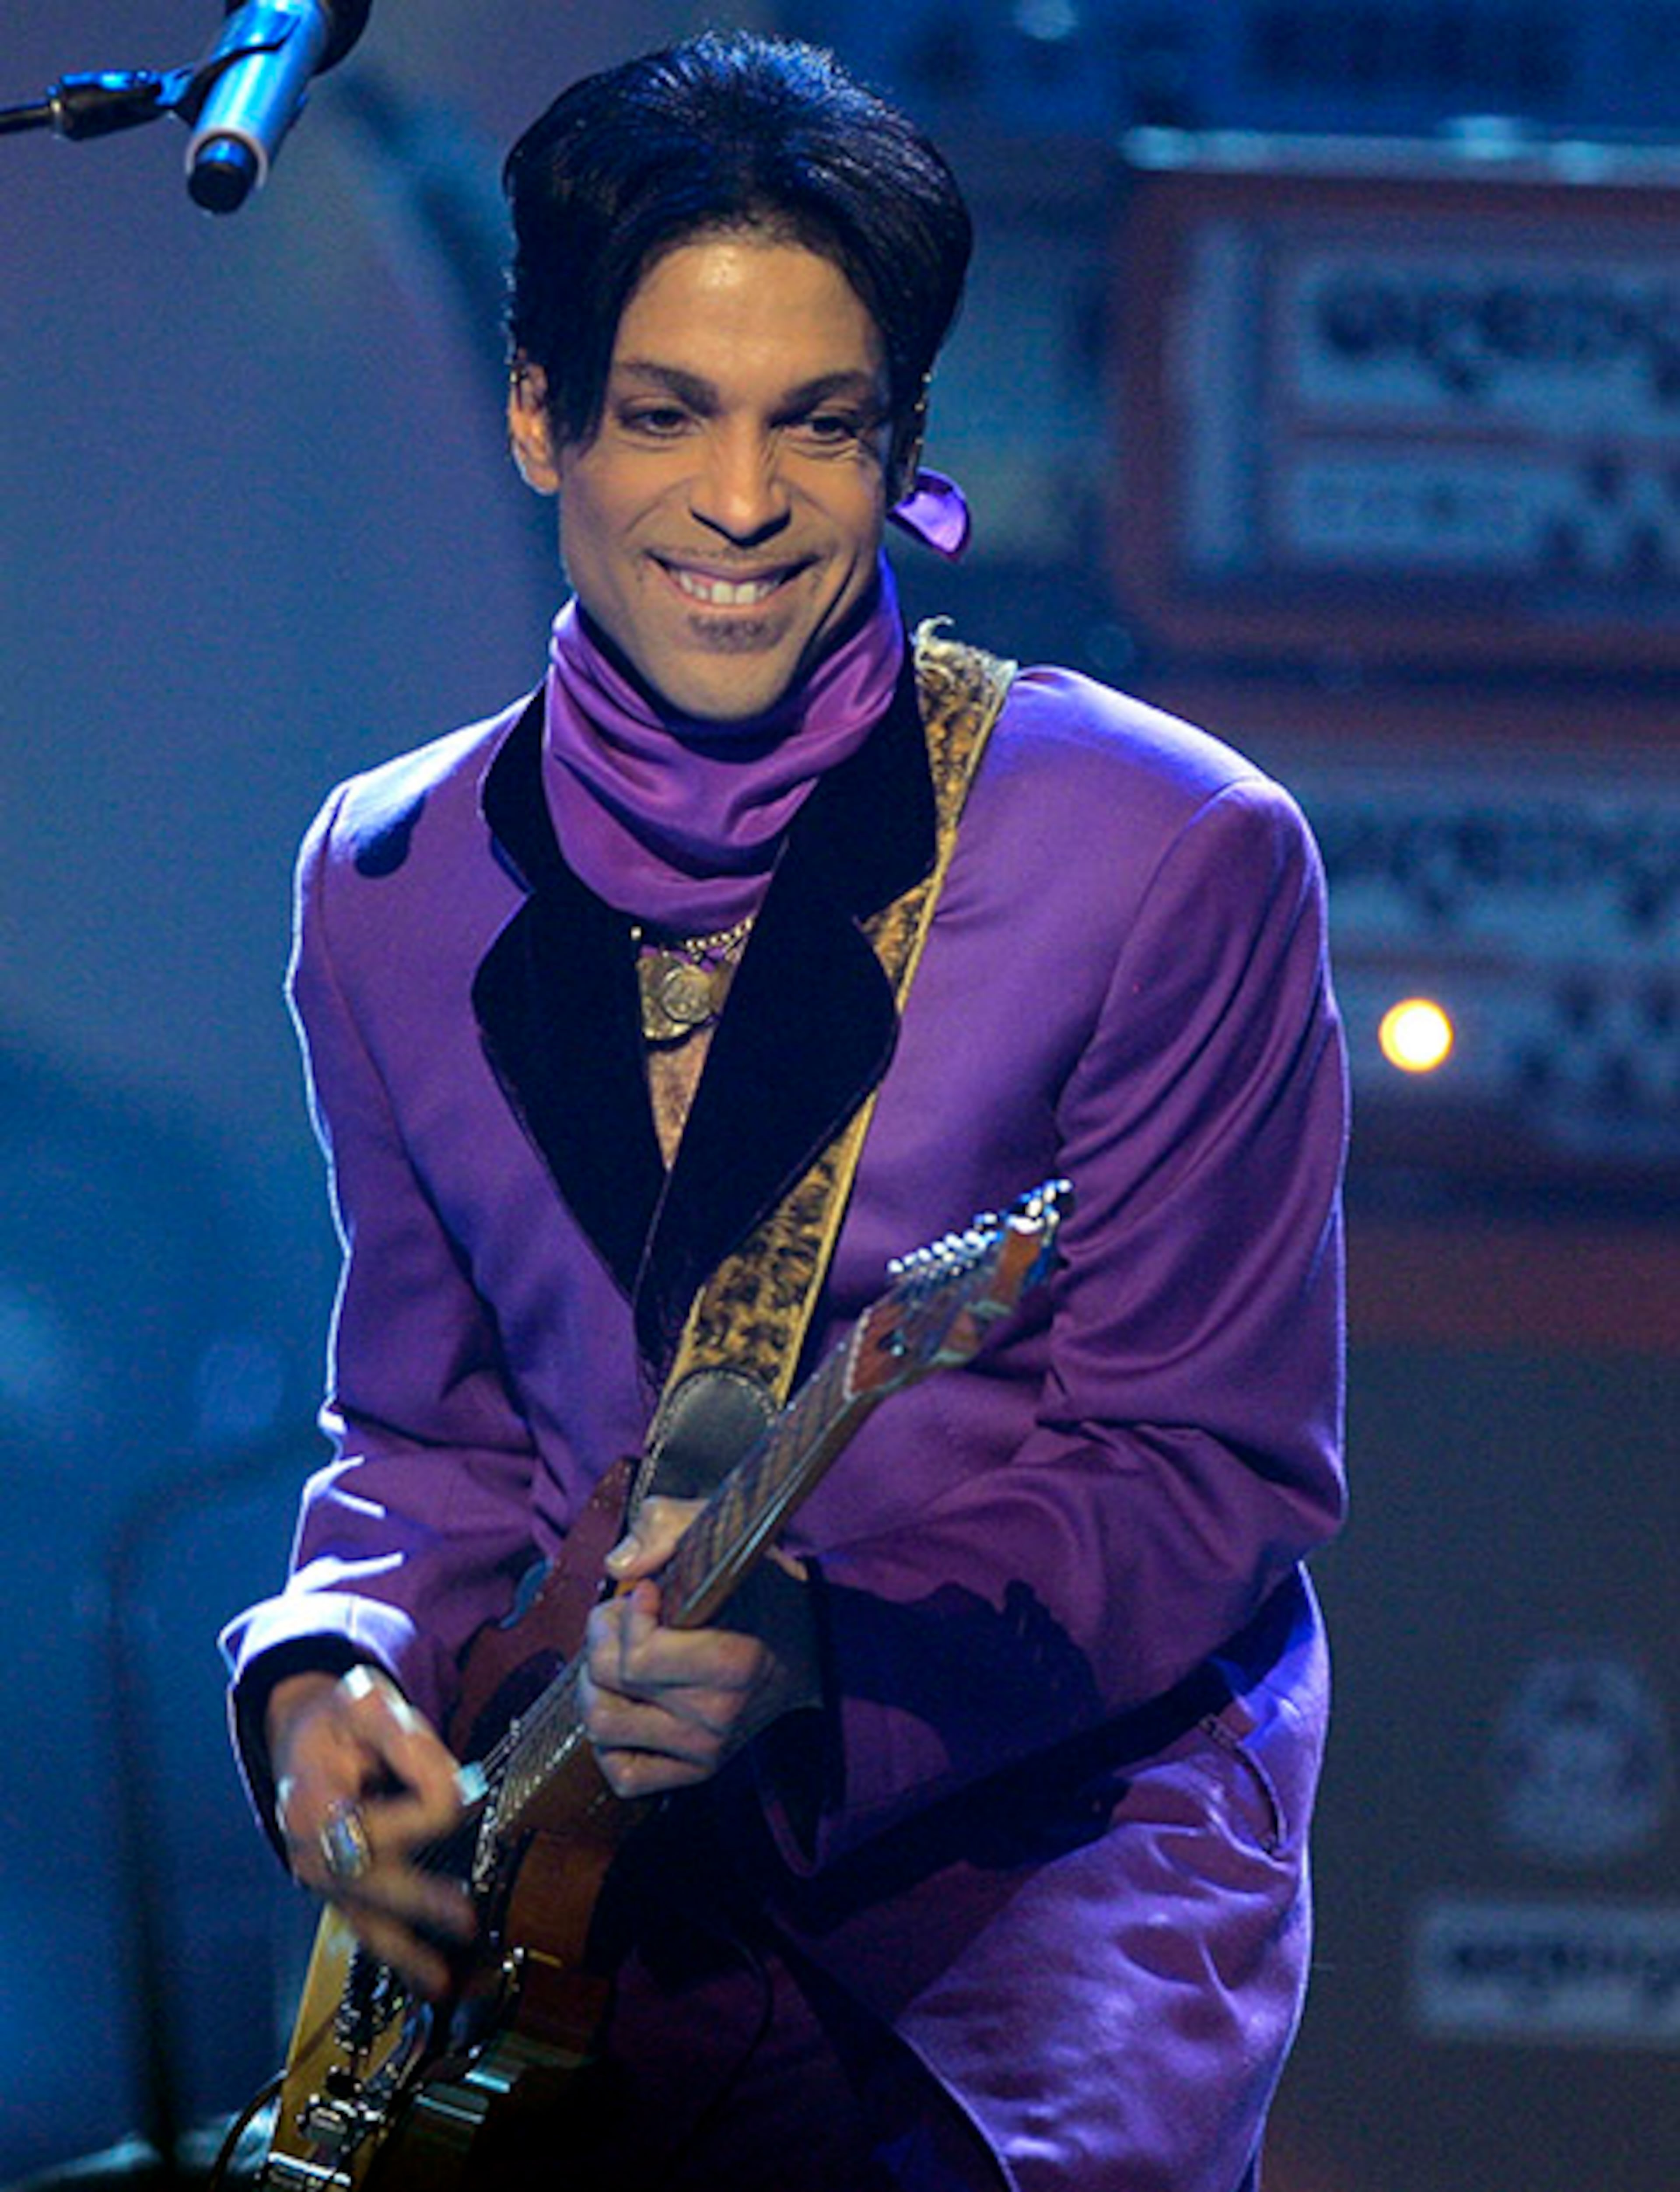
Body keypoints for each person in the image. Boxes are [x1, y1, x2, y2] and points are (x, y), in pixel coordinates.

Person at [221, 30, 1347, 2192]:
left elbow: (1203, 1467)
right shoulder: (384, 875)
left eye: (817, 424)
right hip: (575, 1931)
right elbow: (427, 1439)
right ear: (541, 414)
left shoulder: (1165, 851)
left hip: (1016, 1945)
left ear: (900, 445)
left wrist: (822, 1648)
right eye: (667, 413)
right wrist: (328, 1667)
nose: (740, 502)